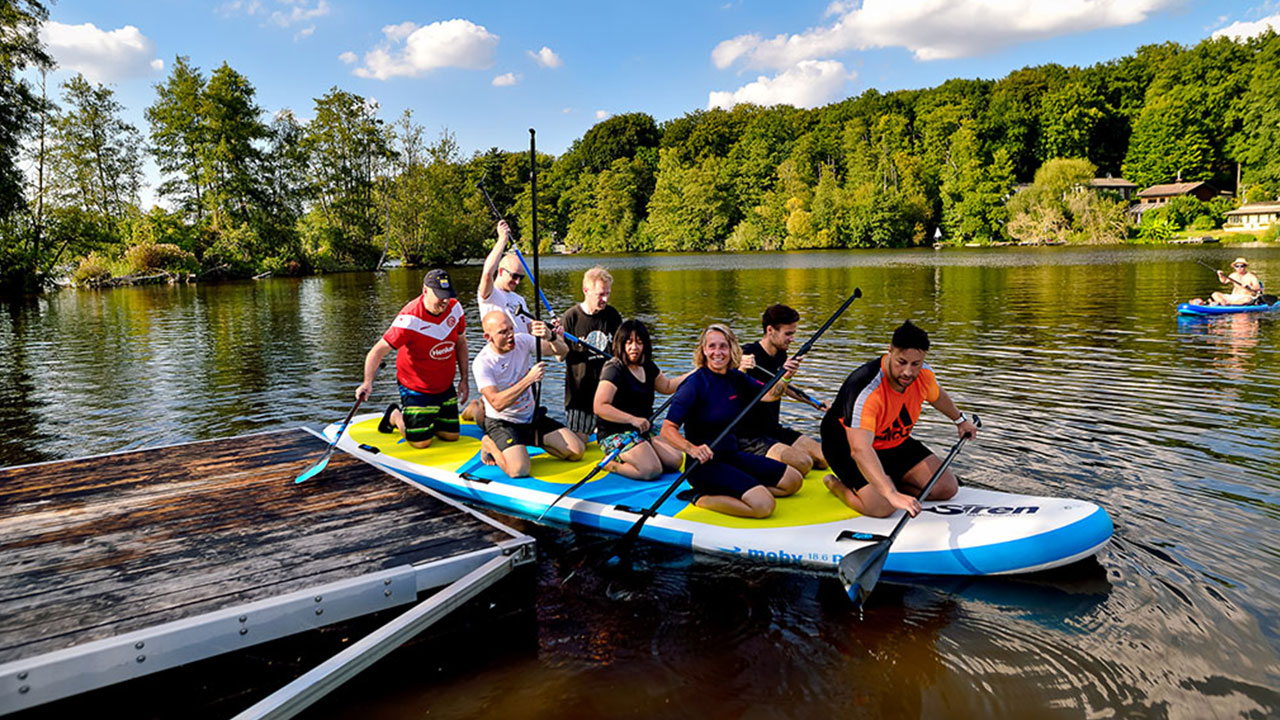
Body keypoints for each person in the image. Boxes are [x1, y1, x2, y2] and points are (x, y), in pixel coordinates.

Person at [820, 320, 979, 518]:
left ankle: (886, 481)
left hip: (890, 440)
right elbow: (860, 449)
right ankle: (835, 485)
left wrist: (960, 420)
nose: (908, 372)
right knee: (882, 507)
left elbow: (937, 396)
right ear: (890, 351)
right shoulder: (866, 388)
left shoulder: (924, 375)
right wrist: (890, 493)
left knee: (946, 488)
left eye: (916, 364)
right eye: (901, 362)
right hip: (846, 445)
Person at [660, 324, 804, 518]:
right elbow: (667, 429)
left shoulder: (735, 377)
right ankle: (700, 497)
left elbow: (770, 395)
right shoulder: (693, 385)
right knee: (764, 506)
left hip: (732, 455)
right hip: (705, 466)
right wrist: (692, 449)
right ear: (704, 350)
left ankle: (747, 489)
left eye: (723, 346)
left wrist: (785, 376)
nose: (717, 352)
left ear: (731, 349)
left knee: (793, 481)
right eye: (712, 346)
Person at [356, 269, 468, 448]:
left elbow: (461, 342)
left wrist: (464, 379)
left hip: (444, 386)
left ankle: (429, 419)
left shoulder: (455, 308)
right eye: (440, 296)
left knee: (451, 436)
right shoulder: (409, 319)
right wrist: (367, 382)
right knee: (421, 443)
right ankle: (395, 415)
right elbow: (376, 352)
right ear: (425, 291)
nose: (445, 301)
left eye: (447, 295)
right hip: (416, 387)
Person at [473, 310, 584, 478]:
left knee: (577, 451)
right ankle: (490, 444)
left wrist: (551, 337)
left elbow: (562, 351)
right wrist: (529, 379)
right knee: (519, 470)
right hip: (504, 422)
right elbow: (497, 403)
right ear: (488, 337)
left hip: (530, 417)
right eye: (503, 332)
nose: (510, 335)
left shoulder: (522, 340)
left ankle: (532, 441)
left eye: (511, 329)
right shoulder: (483, 363)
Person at [593, 319, 689, 480]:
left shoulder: (647, 366)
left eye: (639, 342)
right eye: (629, 342)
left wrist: (696, 372)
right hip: (615, 432)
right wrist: (632, 419)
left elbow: (667, 386)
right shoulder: (614, 368)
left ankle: (645, 449)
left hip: (644, 429)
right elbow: (599, 406)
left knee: (675, 461)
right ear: (621, 344)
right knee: (651, 470)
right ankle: (612, 464)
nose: (634, 347)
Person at [738, 304, 828, 476]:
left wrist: (815, 403)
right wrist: (739, 363)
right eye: (788, 334)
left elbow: (783, 388)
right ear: (770, 330)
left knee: (823, 458)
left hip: (772, 428)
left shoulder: (780, 354)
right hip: (748, 436)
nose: (792, 339)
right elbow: (770, 395)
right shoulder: (746, 355)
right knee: (803, 464)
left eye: (793, 333)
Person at [466, 219, 533, 425]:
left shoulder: (519, 299)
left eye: (521, 278)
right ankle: (475, 410)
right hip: (502, 360)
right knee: (492, 415)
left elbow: (529, 328)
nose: (517, 281)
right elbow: (487, 272)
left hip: (520, 361)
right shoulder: (490, 295)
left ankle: (478, 405)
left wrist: (549, 332)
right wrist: (502, 239)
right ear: (502, 271)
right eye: (514, 276)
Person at [561, 266, 622, 441]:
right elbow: (559, 355)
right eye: (601, 294)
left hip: (608, 391)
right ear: (586, 291)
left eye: (608, 294)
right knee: (579, 444)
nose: (605, 299)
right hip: (580, 395)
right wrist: (553, 338)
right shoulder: (570, 317)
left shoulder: (612, 315)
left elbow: (620, 350)